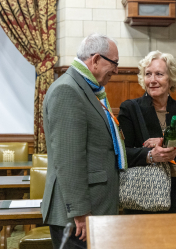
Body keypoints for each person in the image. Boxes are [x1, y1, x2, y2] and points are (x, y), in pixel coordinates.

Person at [42, 33, 126, 249]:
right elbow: (69, 158)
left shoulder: (86, 89)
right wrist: (80, 211)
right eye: (114, 63)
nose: (116, 70)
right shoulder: (68, 90)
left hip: (93, 207)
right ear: (96, 60)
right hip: (78, 216)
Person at [118, 50, 176, 214]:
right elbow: (122, 153)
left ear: (171, 79)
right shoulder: (130, 109)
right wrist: (150, 155)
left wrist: (175, 150)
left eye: (159, 74)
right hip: (145, 195)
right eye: (148, 74)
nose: (153, 80)